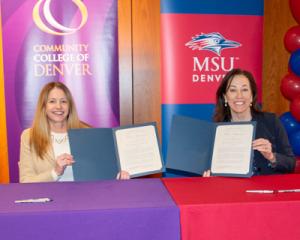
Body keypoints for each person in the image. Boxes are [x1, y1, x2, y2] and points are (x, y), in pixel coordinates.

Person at [19, 81, 129, 183]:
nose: (58, 106)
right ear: (43, 106)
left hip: (85, 198)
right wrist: (55, 172)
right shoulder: (29, 136)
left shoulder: (88, 132)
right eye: (52, 101)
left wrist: (118, 176)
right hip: (48, 200)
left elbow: (101, 171)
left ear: (70, 106)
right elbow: (26, 181)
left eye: (63, 101)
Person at [204, 68, 295, 176]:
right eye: (233, 90)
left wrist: (271, 157)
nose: (239, 96)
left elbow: (291, 164)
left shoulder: (271, 121)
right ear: (225, 97)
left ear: (252, 96)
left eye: (245, 90)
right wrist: (210, 175)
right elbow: (210, 167)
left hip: (266, 190)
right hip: (231, 190)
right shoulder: (217, 131)